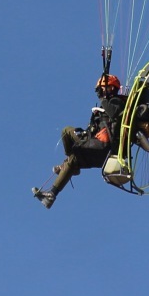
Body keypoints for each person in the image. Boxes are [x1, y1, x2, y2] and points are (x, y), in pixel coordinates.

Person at [32, 73, 128, 208]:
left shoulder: (116, 101)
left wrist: (103, 99)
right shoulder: (106, 104)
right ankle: (51, 195)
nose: (100, 91)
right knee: (73, 161)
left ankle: (67, 163)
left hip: (103, 145)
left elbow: (113, 113)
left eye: (102, 88)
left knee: (66, 131)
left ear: (111, 88)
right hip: (100, 152)